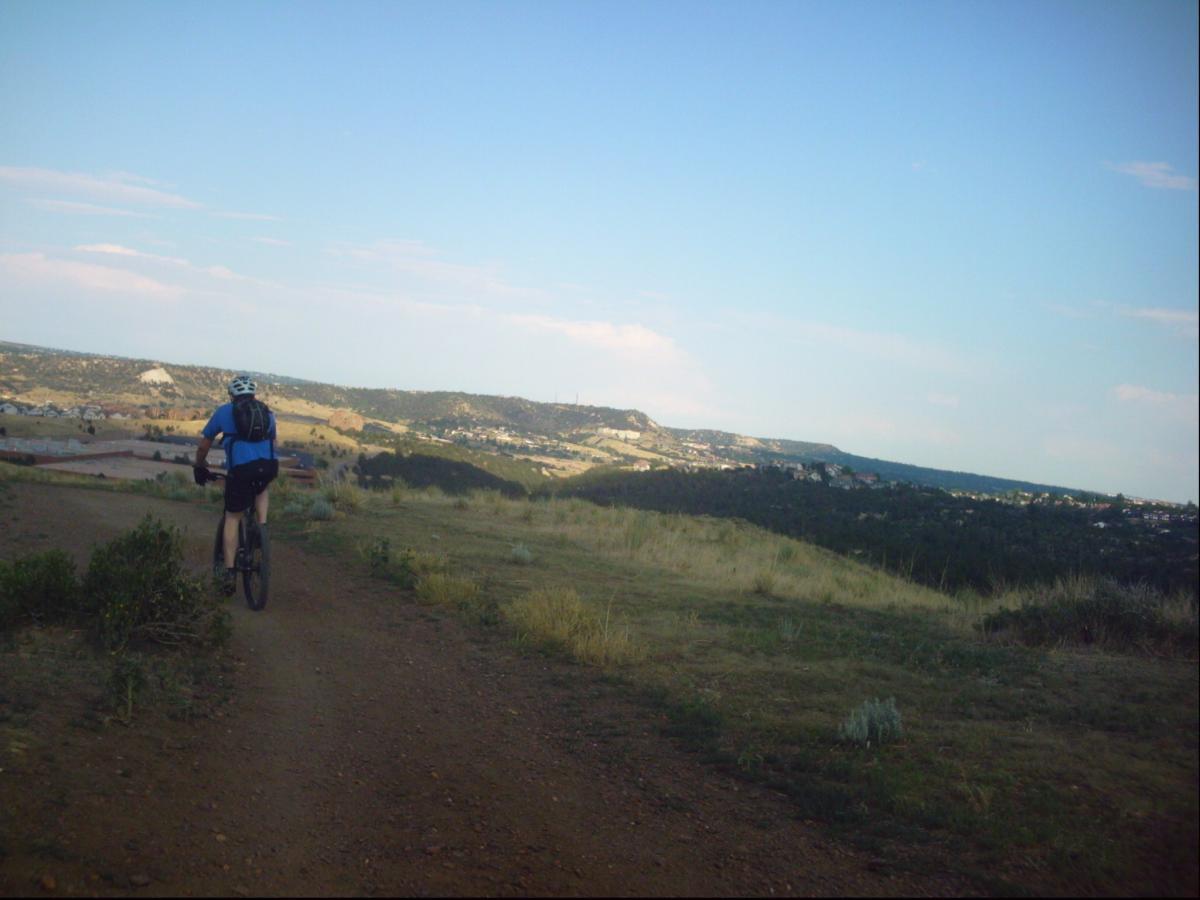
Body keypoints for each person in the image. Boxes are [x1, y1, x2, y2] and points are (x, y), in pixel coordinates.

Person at [194, 375, 279, 594]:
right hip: (268, 467)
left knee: (233, 517)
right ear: (254, 394)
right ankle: (262, 527)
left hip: (240, 470)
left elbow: (204, 445)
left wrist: (199, 465)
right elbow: (273, 442)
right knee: (261, 485)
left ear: (231, 394)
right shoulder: (268, 413)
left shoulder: (224, 411)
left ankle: (230, 573)